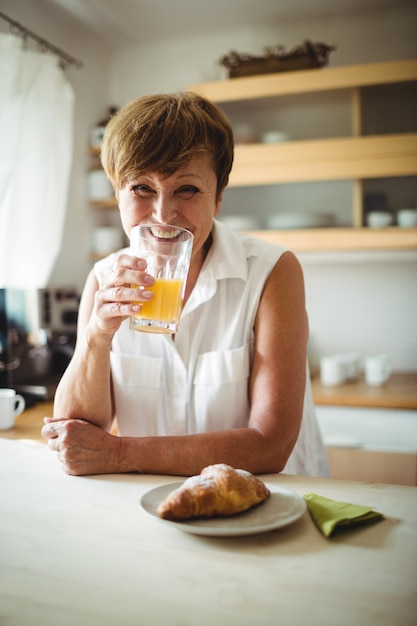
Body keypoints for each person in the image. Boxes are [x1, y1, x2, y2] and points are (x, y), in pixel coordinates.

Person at [42, 92, 329, 478]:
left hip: (267, 509)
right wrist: (97, 336)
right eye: (142, 188)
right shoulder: (103, 278)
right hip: (153, 510)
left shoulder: (271, 271)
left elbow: (269, 445)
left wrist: (119, 454)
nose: (164, 214)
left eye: (187, 189)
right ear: (117, 194)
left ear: (219, 197)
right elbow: (76, 437)